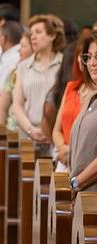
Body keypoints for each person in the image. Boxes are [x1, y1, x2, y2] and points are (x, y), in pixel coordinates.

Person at [11, 14, 65, 157]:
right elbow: (17, 104)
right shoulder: (23, 66)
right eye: (31, 33)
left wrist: (52, 131)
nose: (33, 37)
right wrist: (30, 129)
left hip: (56, 137)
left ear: (52, 35)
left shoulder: (64, 64)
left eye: (38, 32)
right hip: (28, 136)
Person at [54, 34, 97, 171]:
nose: (92, 62)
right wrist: (63, 150)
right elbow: (56, 129)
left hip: (86, 166)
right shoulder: (71, 87)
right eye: (87, 57)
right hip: (65, 160)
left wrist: (71, 152)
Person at [68, 31, 97, 193]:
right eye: (88, 57)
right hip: (82, 196)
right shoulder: (90, 99)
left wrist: (75, 183)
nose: (92, 63)